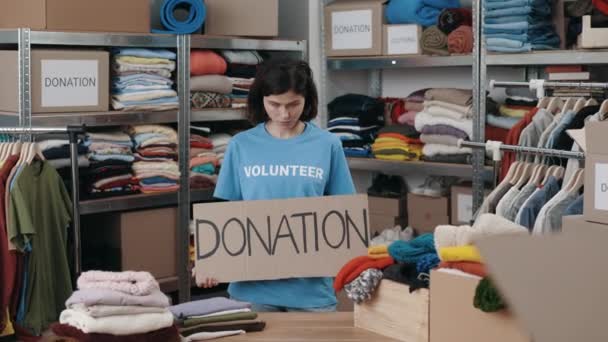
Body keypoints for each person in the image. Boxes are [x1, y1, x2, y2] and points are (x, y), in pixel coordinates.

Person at [199, 59, 356, 312]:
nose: (285, 114)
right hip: (252, 289)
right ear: (261, 100)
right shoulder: (241, 145)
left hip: (311, 291)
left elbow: (345, 213)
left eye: (294, 104)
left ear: (307, 99)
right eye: (275, 104)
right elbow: (224, 211)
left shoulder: (328, 145)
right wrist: (211, 261)